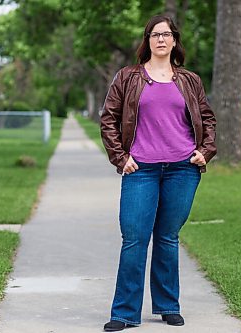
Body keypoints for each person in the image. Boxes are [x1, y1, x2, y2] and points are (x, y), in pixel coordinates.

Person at [100, 14, 216, 332]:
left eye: (166, 34)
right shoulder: (128, 76)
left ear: (174, 40)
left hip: (182, 169)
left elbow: (207, 118)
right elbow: (108, 118)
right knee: (135, 239)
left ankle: (167, 306)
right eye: (155, 34)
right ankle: (124, 313)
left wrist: (204, 151)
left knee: (167, 238)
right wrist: (120, 157)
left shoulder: (189, 80)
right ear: (147, 40)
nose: (161, 39)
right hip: (141, 170)